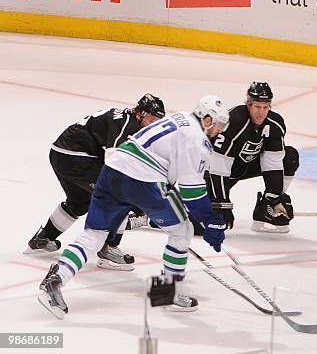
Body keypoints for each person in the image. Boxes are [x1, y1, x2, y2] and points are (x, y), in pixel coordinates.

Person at [37, 95, 230, 319]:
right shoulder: (197, 140)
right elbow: (192, 192)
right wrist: (212, 222)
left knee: (93, 235)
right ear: (206, 119)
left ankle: (55, 280)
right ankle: (168, 292)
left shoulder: (181, 118)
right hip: (143, 181)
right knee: (182, 230)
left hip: (111, 173)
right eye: (218, 125)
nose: (219, 130)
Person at [25, 94, 166, 271]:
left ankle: (44, 238)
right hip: (76, 158)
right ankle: (109, 248)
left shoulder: (127, 119)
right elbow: (115, 162)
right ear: (140, 114)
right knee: (120, 197)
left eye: (157, 121)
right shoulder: (125, 125)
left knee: (79, 202)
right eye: (151, 119)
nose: (153, 124)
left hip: (61, 154)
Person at [206, 82, 299, 234]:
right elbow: (218, 164)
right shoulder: (234, 120)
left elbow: (273, 163)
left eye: (265, 107)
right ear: (248, 104)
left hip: (247, 165)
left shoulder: (275, 124)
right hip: (215, 173)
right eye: (257, 107)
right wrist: (222, 203)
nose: (261, 113)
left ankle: (265, 209)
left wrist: (274, 199)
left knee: (290, 157)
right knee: (201, 221)